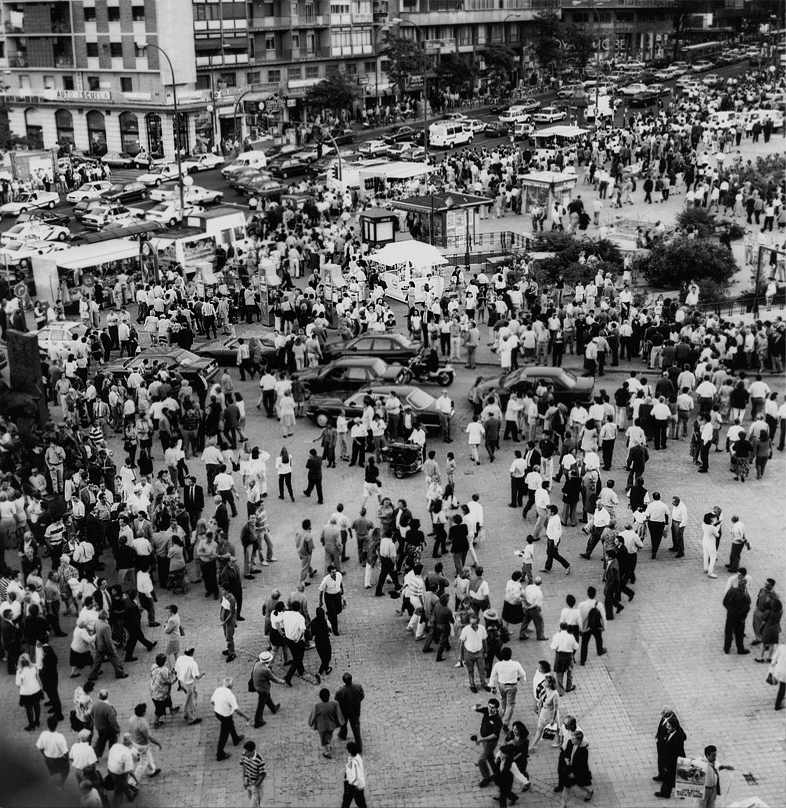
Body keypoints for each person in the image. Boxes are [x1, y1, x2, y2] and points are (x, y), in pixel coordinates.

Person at [211, 676, 249, 761]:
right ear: (230, 686)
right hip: (225, 715)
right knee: (224, 734)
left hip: (217, 712)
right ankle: (220, 754)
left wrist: (220, 705)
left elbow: (212, 701)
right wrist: (246, 716)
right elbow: (236, 710)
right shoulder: (230, 695)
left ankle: (235, 739)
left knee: (230, 724)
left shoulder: (217, 690)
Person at [488, 646, 527, 731]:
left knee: (503, 699)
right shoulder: (516, 664)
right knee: (511, 704)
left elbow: (493, 676)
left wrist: (493, 687)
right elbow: (523, 674)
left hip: (501, 685)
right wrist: (518, 677)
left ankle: (503, 712)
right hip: (511, 686)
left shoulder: (498, 665)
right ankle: (505, 722)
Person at [473, 697, 503, 787]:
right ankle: (497, 773)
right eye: (489, 706)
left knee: (481, 760)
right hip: (485, 740)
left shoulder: (497, 719)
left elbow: (495, 735)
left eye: (493, 707)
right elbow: (476, 709)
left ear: (496, 708)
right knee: (490, 757)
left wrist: (482, 739)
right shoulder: (486, 710)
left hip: (490, 742)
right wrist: (477, 705)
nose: (490, 709)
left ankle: (486, 777)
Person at [654, 716, 687, 798]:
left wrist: (667, 766)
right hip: (674, 759)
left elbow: (673, 755)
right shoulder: (677, 730)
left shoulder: (676, 738)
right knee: (672, 777)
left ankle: (666, 793)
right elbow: (685, 736)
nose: (667, 728)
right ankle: (679, 792)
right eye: (667, 725)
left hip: (674, 760)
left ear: (674, 727)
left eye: (669, 726)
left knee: (669, 776)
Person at [559, 730, 593, 807]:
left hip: (578, 772)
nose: (572, 740)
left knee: (581, 786)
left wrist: (574, 773)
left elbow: (582, 765)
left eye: (574, 739)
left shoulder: (584, 751)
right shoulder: (570, 742)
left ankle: (589, 792)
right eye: (572, 738)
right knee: (566, 787)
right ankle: (563, 805)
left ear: (579, 740)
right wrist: (565, 758)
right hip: (569, 769)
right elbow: (566, 752)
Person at [308, 687, 344, 759]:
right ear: (329, 696)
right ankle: (330, 744)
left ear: (320, 697)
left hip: (322, 727)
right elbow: (339, 714)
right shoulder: (334, 704)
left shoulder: (317, 706)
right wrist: (341, 722)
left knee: (323, 740)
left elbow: (313, 715)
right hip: (331, 725)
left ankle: (327, 752)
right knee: (329, 735)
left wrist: (310, 723)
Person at [36, 715, 70, 788]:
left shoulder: (43, 734)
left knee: (53, 772)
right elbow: (65, 752)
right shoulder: (59, 737)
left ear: (48, 725)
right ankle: (60, 786)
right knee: (65, 771)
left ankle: (55, 785)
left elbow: (40, 747)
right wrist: (67, 760)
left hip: (47, 758)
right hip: (58, 759)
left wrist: (44, 755)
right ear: (56, 725)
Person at [251, 650, 283, 728]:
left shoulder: (257, 664)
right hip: (263, 688)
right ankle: (258, 721)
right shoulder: (266, 670)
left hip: (257, 685)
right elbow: (273, 678)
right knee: (261, 705)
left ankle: (273, 708)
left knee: (267, 698)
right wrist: (281, 681)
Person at [174, 646, 204, 726]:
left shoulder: (179, 659)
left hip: (181, 682)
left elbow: (176, 670)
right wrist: (202, 674)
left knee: (188, 699)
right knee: (191, 701)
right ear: (192, 653)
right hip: (189, 684)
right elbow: (197, 676)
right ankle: (191, 719)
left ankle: (186, 713)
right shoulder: (192, 663)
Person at [336, 672, 365, 753]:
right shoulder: (358, 687)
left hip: (344, 711)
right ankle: (359, 746)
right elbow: (362, 696)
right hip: (355, 711)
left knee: (343, 724)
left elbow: (337, 701)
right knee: (356, 729)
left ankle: (343, 735)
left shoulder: (340, 691)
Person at [723, 578, 751, 655]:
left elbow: (725, 602)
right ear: (744, 586)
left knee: (728, 631)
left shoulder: (731, 590)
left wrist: (729, 610)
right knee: (739, 634)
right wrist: (743, 617)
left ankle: (726, 648)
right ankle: (740, 649)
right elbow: (746, 608)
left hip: (730, 615)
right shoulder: (744, 596)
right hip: (739, 618)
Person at [16, 652, 43, 730]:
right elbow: (37, 675)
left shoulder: (20, 671)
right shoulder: (34, 666)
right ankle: (37, 721)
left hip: (26, 692)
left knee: (29, 708)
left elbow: (18, 683)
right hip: (36, 688)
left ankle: (31, 725)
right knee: (36, 705)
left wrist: (22, 680)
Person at [239, 739, 266, 808]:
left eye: (246, 751)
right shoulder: (244, 754)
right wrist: (244, 780)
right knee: (255, 804)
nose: (244, 753)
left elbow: (263, 775)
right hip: (249, 783)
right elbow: (244, 766)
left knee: (252, 805)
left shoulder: (259, 760)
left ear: (251, 752)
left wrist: (255, 786)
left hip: (257, 785)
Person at [342, 741, 367, 808]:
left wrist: (351, 784)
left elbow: (356, 776)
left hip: (354, 785)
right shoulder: (356, 757)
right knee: (359, 800)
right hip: (355, 784)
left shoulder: (354, 762)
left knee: (347, 800)